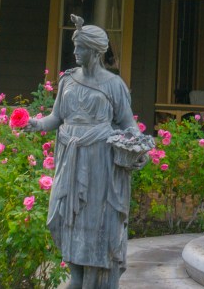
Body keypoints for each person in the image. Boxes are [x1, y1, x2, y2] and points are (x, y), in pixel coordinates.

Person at [28, 15, 141, 289]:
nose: (75, 52)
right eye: (75, 47)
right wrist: (35, 124)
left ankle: (86, 282)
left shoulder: (114, 85)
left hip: (99, 164)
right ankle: (76, 277)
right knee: (64, 218)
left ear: (95, 51)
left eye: (80, 48)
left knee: (94, 224)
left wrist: (136, 146)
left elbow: (129, 125)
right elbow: (56, 118)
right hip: (70, 159)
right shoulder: (67, 80)